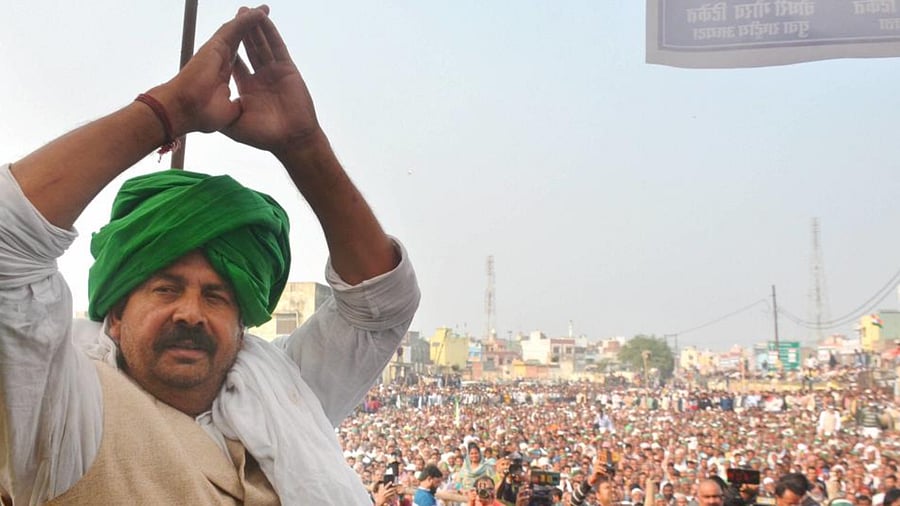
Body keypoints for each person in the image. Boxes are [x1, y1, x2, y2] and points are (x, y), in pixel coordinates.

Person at [0, 5, 419, 506]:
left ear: (242, 325)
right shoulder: (66, 413)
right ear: (114, 316)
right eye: (166, 288)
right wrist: (167, 111)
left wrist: (303, 145)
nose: (191, 314)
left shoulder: (279, 392)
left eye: (218, 296)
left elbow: (380, 305)